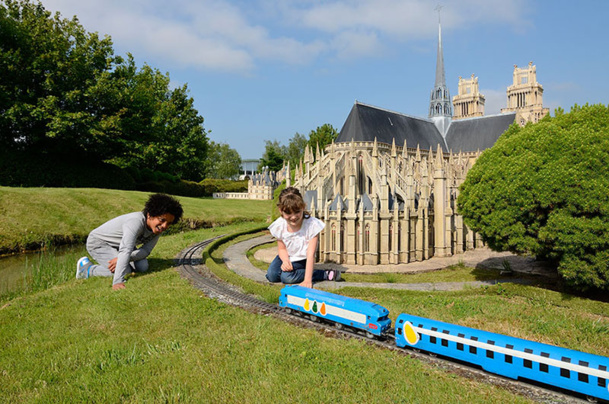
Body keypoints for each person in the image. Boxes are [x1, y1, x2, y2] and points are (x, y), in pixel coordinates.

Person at [76, 193, 183, 290]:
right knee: (126, 271)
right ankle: (87, 270)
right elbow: (125, 249)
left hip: (122, 245)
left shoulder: (157, 229)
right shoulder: (135, 222)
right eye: (162, 220)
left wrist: (123, 258)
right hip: (99, 242)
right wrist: (118, 281)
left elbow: (146, 251)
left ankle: (117, 262)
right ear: (150, 215)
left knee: (143, 267)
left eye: (168, 223)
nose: (164, 226)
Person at [266, 187, 340, 289]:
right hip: (286, 256)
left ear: (303, 207)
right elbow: (282, 248)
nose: (293, 217)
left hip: (301, 259)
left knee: (287, 278)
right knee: (271, 275)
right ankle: (293, 272)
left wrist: (307, 280)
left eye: (297, 212)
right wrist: (285, 261)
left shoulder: (311, 225)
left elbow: (310, 255)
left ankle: (323, 274)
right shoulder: (279, 225)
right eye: (288, 213)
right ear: (281, 210)